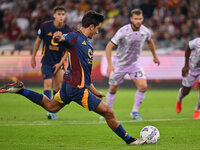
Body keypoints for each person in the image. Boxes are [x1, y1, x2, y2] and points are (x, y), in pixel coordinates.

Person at [0, 11, 146, 145]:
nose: (97, 32)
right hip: (76, 89)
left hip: (68, 86)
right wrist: (58, 38)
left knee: (51, 106)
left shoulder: (86, 43)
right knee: (108, 112)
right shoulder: (74, 37)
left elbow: (86, 76)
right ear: (91, 26)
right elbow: (62, 39)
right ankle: (130, 140)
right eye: (96, 29)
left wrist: (95, 92)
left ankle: (21, 90)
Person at [100, 9, 160, 121]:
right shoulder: (123, 31)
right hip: (120, 64)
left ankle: (134, 112)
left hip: (135, 64)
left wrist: (155, 56)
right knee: (113, 88)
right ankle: (107, 111)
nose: (138, 21)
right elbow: (109, 46)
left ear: (142, 19)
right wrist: (109, 64)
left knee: (143, 86)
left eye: (140, 19)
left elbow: (150, 42)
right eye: (136, 19)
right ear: (131, 19)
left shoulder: (145, 31)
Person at [31, 7, 72, 119]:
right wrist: (33, 56)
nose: (61, 16)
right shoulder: (45, 26)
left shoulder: (68, 29)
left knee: (58, 87)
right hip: (46, 61)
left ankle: (53, 109)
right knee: (48, 84)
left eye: (63, 14)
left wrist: (60, 64)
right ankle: (48, 111)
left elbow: (69, 50)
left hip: (60, 62)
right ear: (54, 15)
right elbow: (38, 42)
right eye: (59, 14)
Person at [176, 37, 200, 119]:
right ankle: (179, 99)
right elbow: (188, 47)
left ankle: (197, 110)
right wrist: (186, 65)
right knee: (186, 90)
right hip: (192, 67)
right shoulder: (197, 42)